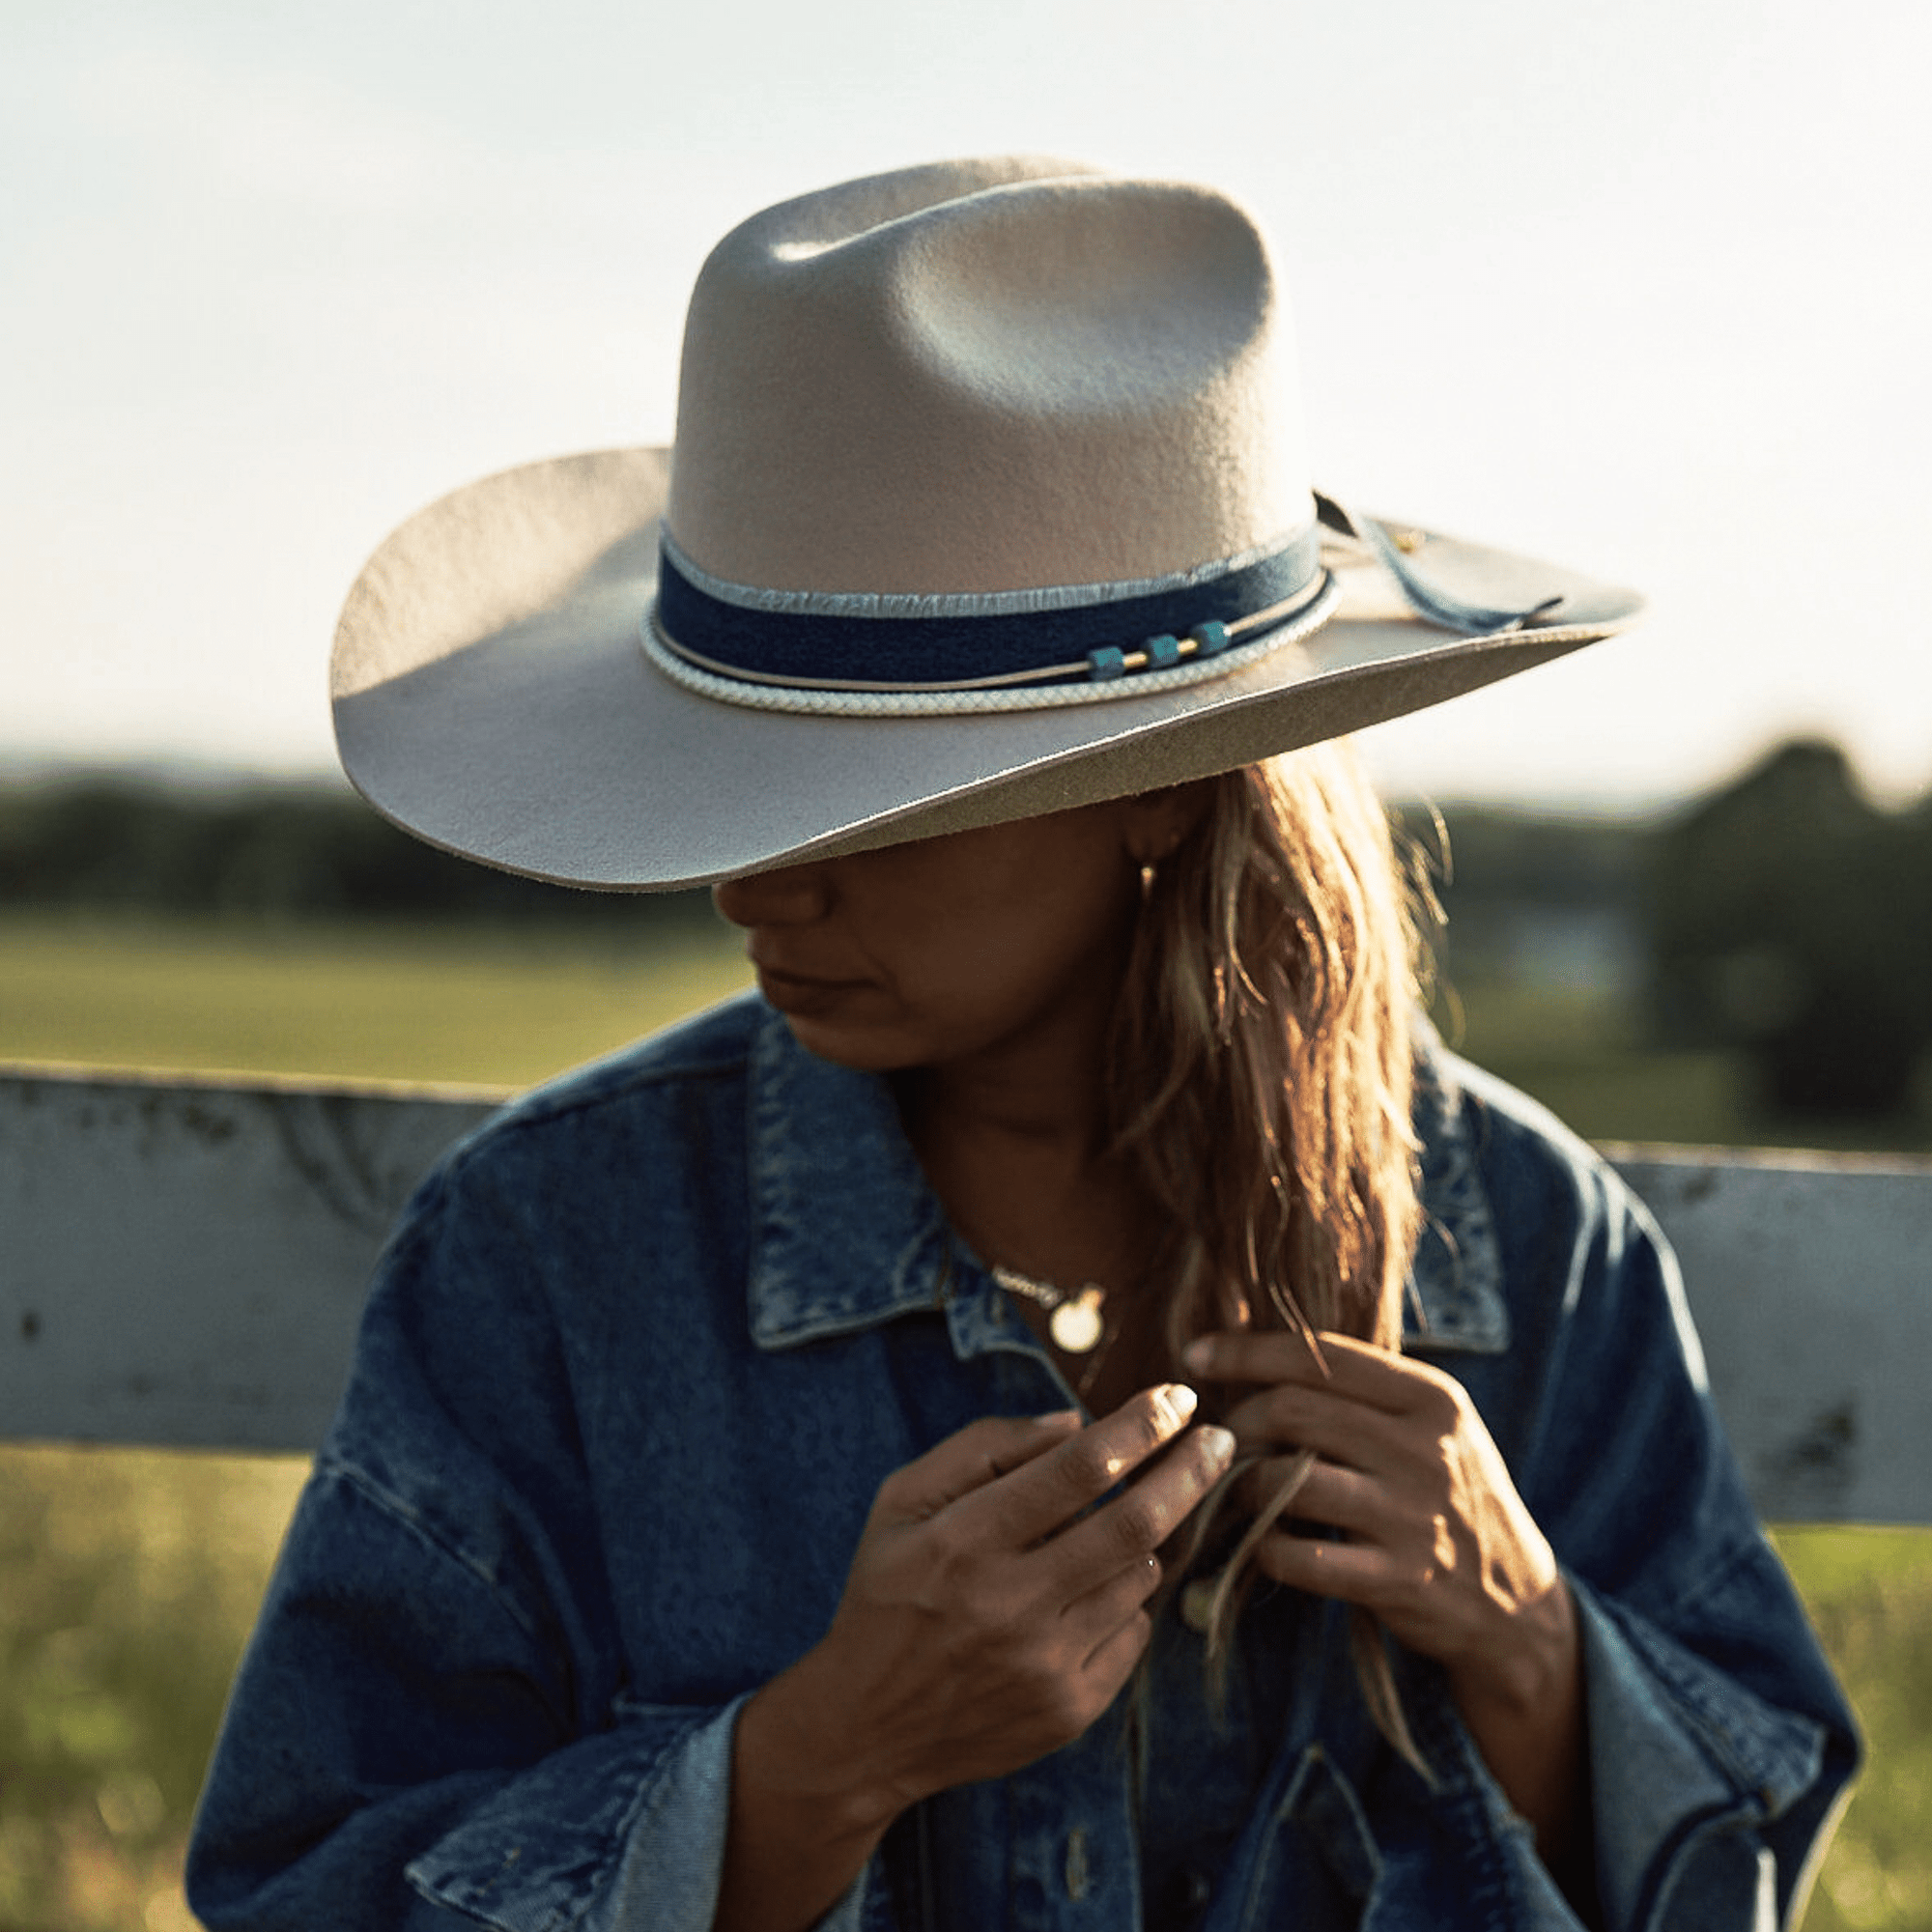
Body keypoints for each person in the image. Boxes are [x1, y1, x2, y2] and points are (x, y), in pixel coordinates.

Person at [187, 158, 1857, 1931]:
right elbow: (305, 1887)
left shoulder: (1535, 1245)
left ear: (1147, 798)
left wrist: (1527, 1641)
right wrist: (820, 1759)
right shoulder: (547, 1255)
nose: (760, 891)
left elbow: (1747, 1872)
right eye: (734, 791)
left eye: (865, 811)